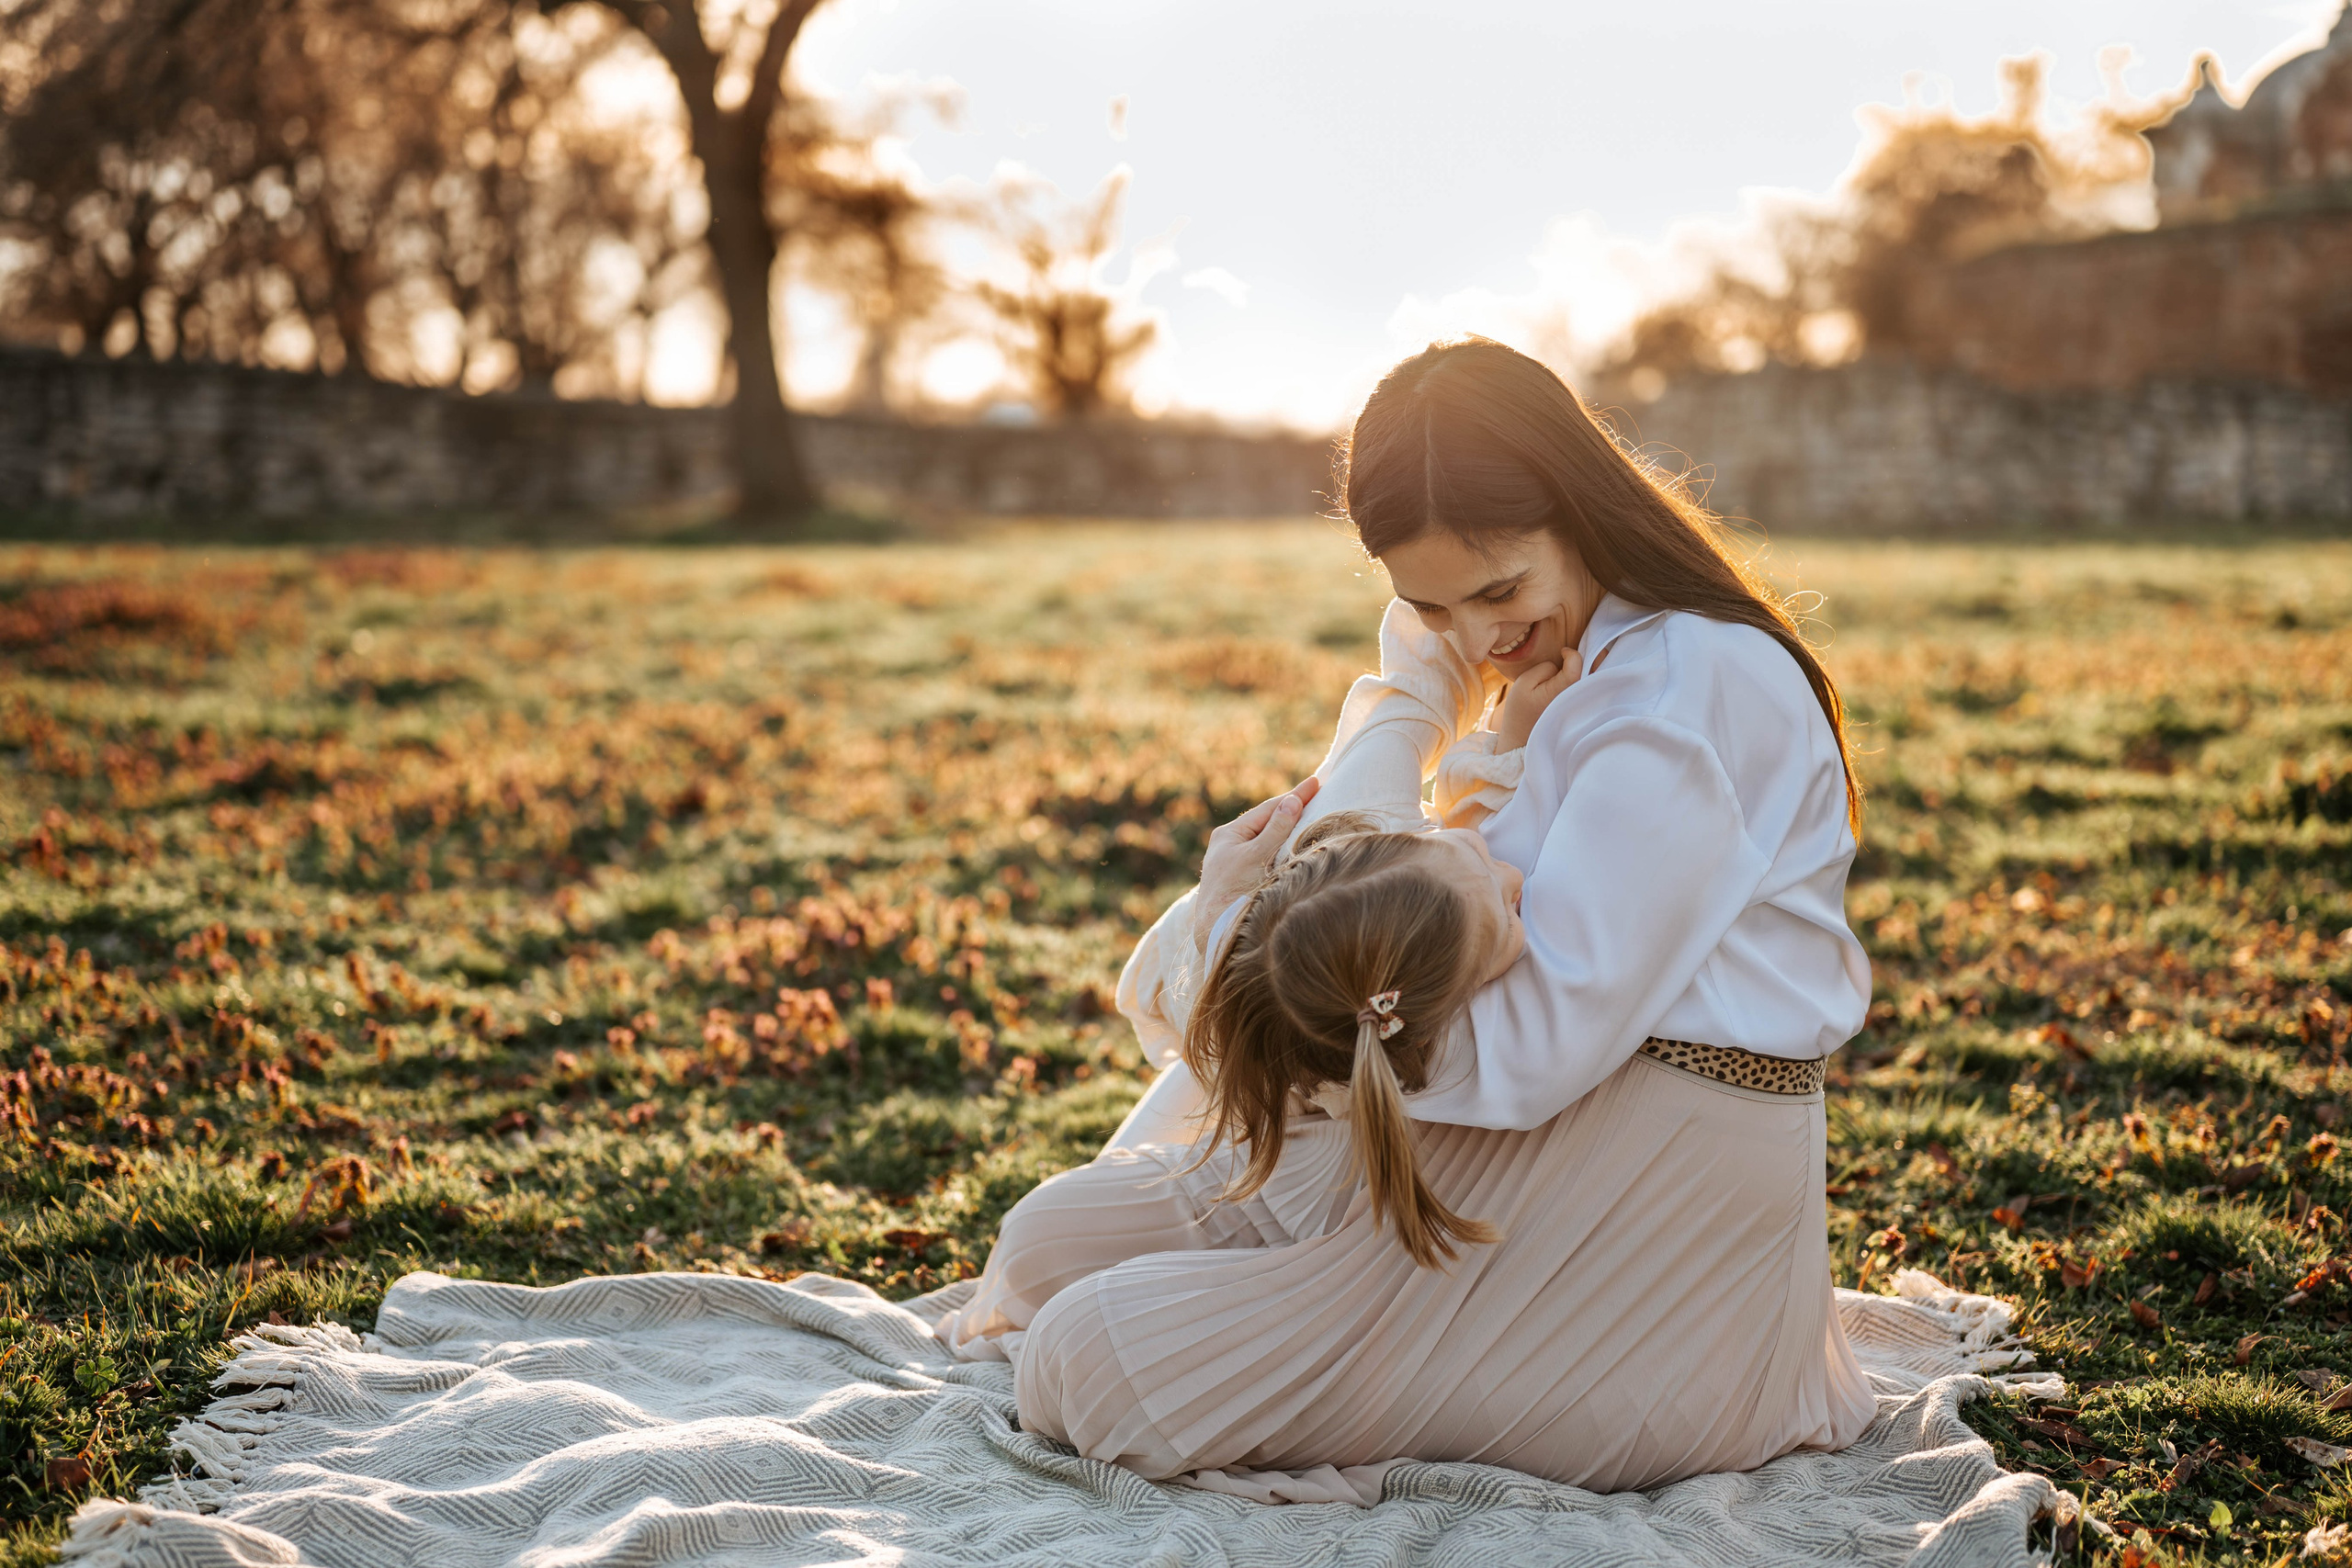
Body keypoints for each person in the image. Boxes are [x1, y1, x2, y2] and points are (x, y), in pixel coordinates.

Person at [937, 336, 1879, 1491]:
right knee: (1048, 1244)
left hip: (1651, 1166)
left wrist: (1254, 967)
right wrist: (1415, 704)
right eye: (1428, 605)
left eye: (1499, 591)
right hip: (1495, 1113)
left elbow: (1525, 1044)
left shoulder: (1685, 693)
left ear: (1579, 507)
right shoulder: (1558, 649)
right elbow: (1391, 885)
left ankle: (1623, 1369)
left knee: (1089, 1363)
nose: (1477, 638)